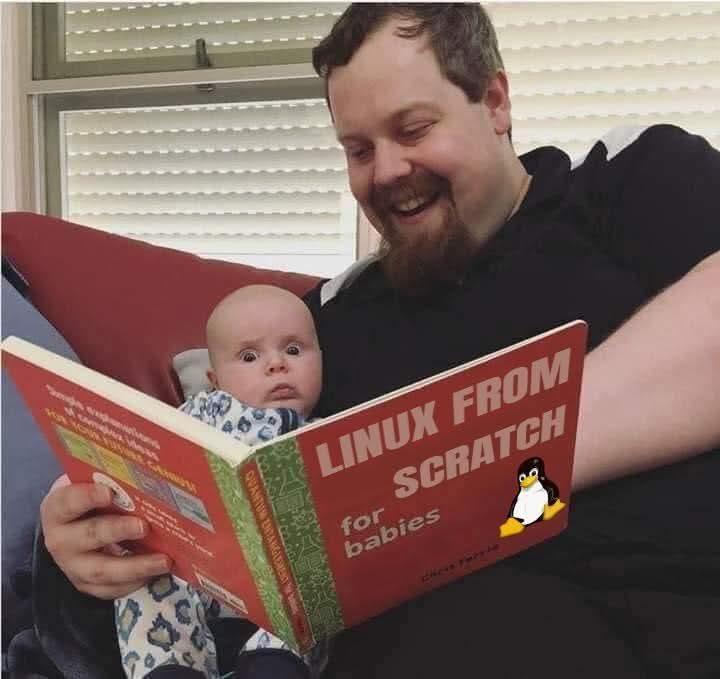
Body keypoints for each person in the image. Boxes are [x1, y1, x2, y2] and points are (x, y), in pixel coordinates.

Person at [37, 4, 720, 678]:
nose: (387, 171)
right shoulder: (323, 324)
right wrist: (85, 539)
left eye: (413, 129)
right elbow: (219, 492)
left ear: (494, 101)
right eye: (359, 150)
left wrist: (485, 467)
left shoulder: (626, 181)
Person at [116, 284, 323, 679]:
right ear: (215, 379)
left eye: (294, 350)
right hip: (192, 566)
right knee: (144, 577)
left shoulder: (327, 434)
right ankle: (170, 668)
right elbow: (141, 450)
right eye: (249, 356)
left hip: (277, 589)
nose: (277, 364)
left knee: (318, 582)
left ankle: (273, 664)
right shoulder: (200, 414)